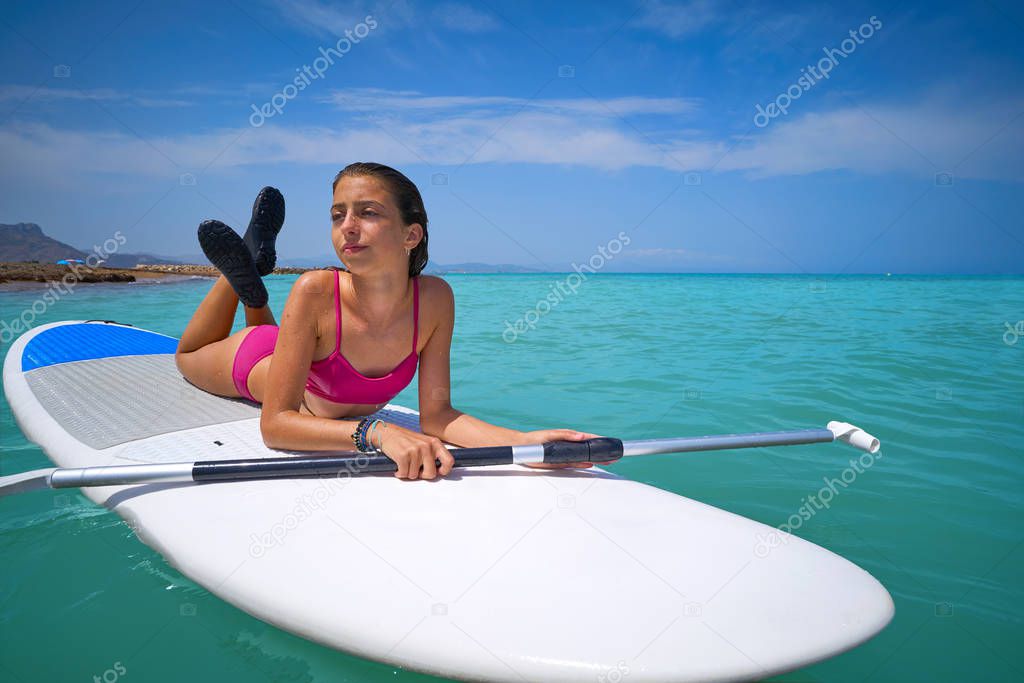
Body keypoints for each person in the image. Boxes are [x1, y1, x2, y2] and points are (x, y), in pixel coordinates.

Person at [175, 162, 603, 480]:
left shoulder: (435, 299)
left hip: (290, 340)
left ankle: (250, 272)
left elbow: (437, 416)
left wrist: (525, 442)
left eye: (368, 213)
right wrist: (375, 433)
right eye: (337, 214)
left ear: (410, 235)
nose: (348, 227)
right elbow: (275, 425)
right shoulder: (315, 289)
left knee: (260, 322)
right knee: (186, 355)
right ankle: (237, 274)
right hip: (252, 360)